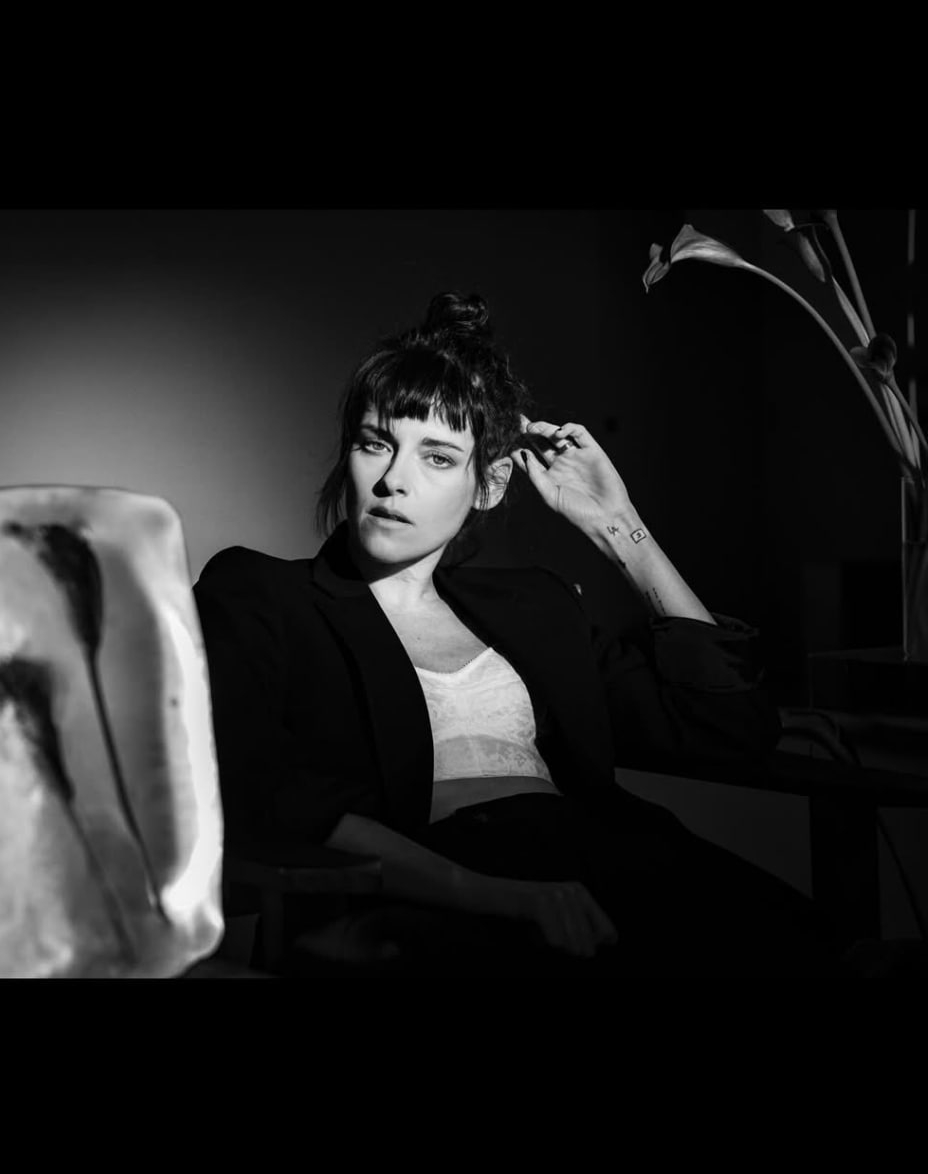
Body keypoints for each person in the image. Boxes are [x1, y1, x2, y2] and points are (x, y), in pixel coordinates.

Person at [193, 291, 853, 976]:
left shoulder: (533, 607)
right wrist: (495, 895)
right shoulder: (260, 593)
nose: (392, 480)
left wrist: (620, 528)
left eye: (437, 457)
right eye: (375, 443)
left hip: (610, 867)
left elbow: (729, 728)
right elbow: (265, 791)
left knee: (842, 957)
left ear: (489, 484)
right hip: (435, 898)